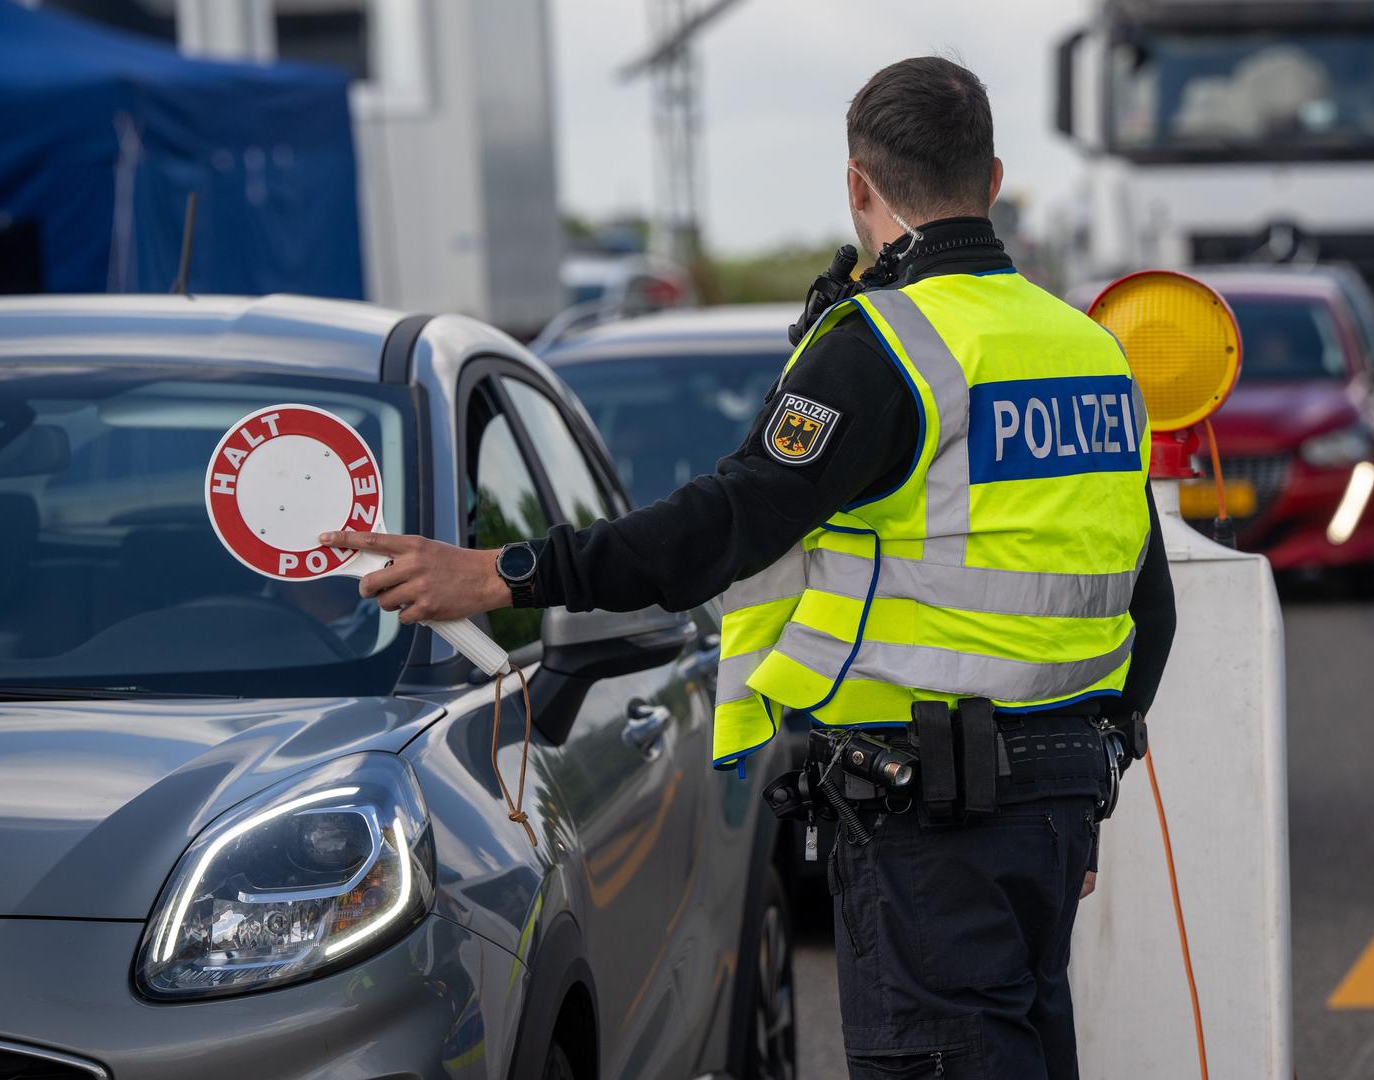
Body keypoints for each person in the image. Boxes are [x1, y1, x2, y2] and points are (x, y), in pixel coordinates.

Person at [322, 56, 1176, 1079]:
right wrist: (1096, 767)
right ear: (991, 179)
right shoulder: (1090, 350)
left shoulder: (884, 346)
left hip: (934, 821)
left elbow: (724, 524)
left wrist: (504, 572)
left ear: (858, 185)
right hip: (1056, 799)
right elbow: (1148, 598)